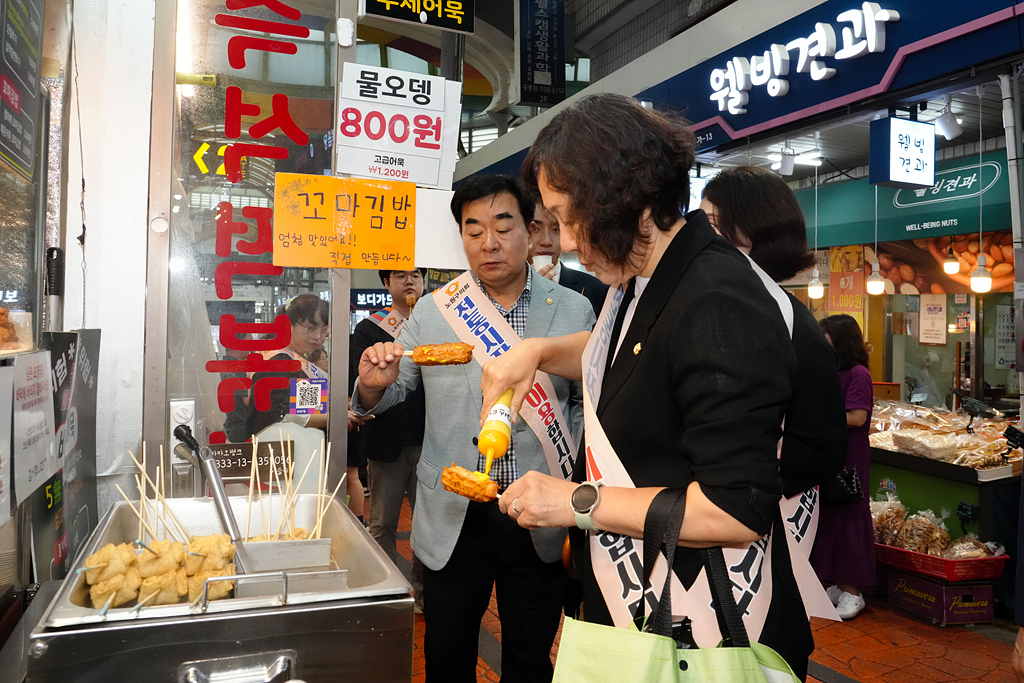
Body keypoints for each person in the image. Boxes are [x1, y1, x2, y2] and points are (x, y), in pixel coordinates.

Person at [478, 94, 813, 678]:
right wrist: (535, 352)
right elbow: (640, 356)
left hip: (706, 618)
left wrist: (574, 502)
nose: (567, 242)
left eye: (567, 217)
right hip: (645, 598)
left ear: (616, 195)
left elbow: (737, 510)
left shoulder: (716, 297)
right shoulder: (648, 277)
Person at [353, 175, 595, 683]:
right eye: (473, 229)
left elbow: (582, 408)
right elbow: (398, 390)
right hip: (453, 510)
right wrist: (374, 386)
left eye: (503, 226)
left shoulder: (573, 308)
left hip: (537, 509)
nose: (488, 243)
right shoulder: (436, 309)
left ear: (530, 231)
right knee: (446, 653)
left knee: (530, 658)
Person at [700, 166, 846, 497]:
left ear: (755, 229)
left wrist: (738, 466)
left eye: (710, 224)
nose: (699, 237)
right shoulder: (712, 308)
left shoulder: (796, 326)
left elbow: (824, 447)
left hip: (757, 519)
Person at [350, 269, 427, 610]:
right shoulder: (369, 329)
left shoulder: (433, 324)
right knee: (382, 522)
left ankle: (425, 594)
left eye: (416, 275)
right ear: (386, 283)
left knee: (427, 525)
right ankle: (385, 594)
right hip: (386, 441)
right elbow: (363, 380)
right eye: (400, 276)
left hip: (430, 439)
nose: (409, 282)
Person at [811, 314, 876, 620]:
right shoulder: (832, 370)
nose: (821, 340)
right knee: (830, 518)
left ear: (839, 339)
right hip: (830, 452)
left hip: (850, 456)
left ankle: (852, 591)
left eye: (825, 335)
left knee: (848, 516)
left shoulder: (859, 374)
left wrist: (820, 416)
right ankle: (836, 582)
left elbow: (858, 417)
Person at [248, 294, 330, 436]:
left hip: (303, 444)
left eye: (323, 330)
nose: (318, 336)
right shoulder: (278, 360)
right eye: (311, 328)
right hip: (283, 449)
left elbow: (306, 407)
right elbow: (278, 416)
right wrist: (333, 417)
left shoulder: (294, 359)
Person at [528, 199, 608, 317]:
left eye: (557, 229)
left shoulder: (598, 290)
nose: (546, 241)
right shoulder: (499, 291)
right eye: (536, 229)